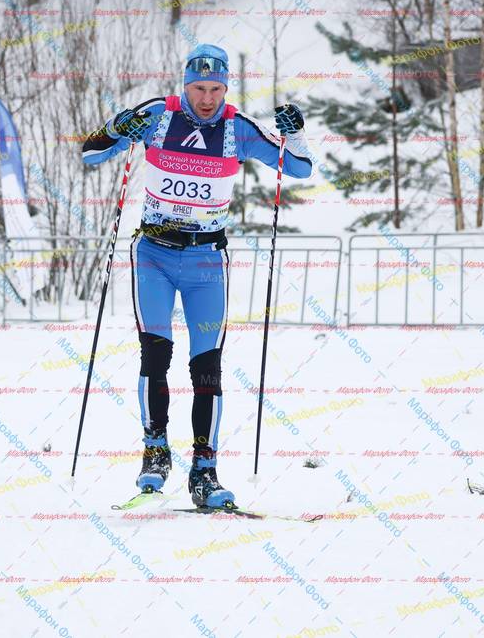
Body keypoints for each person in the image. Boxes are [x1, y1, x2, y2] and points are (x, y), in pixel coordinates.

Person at [81, 43, 312, 507]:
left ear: (225, 89)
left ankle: (204, 470)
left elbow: (299, 168)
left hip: (206, 262)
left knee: (207, 366)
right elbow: (91, 154)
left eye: (215, 89)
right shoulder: (158, 116)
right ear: (185, 85)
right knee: (155, 354)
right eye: (199, 88)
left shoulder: (238, 128)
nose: (207, 98)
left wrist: (297, 134)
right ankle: (155, 451)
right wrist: (117, 126)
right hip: (154, 256)